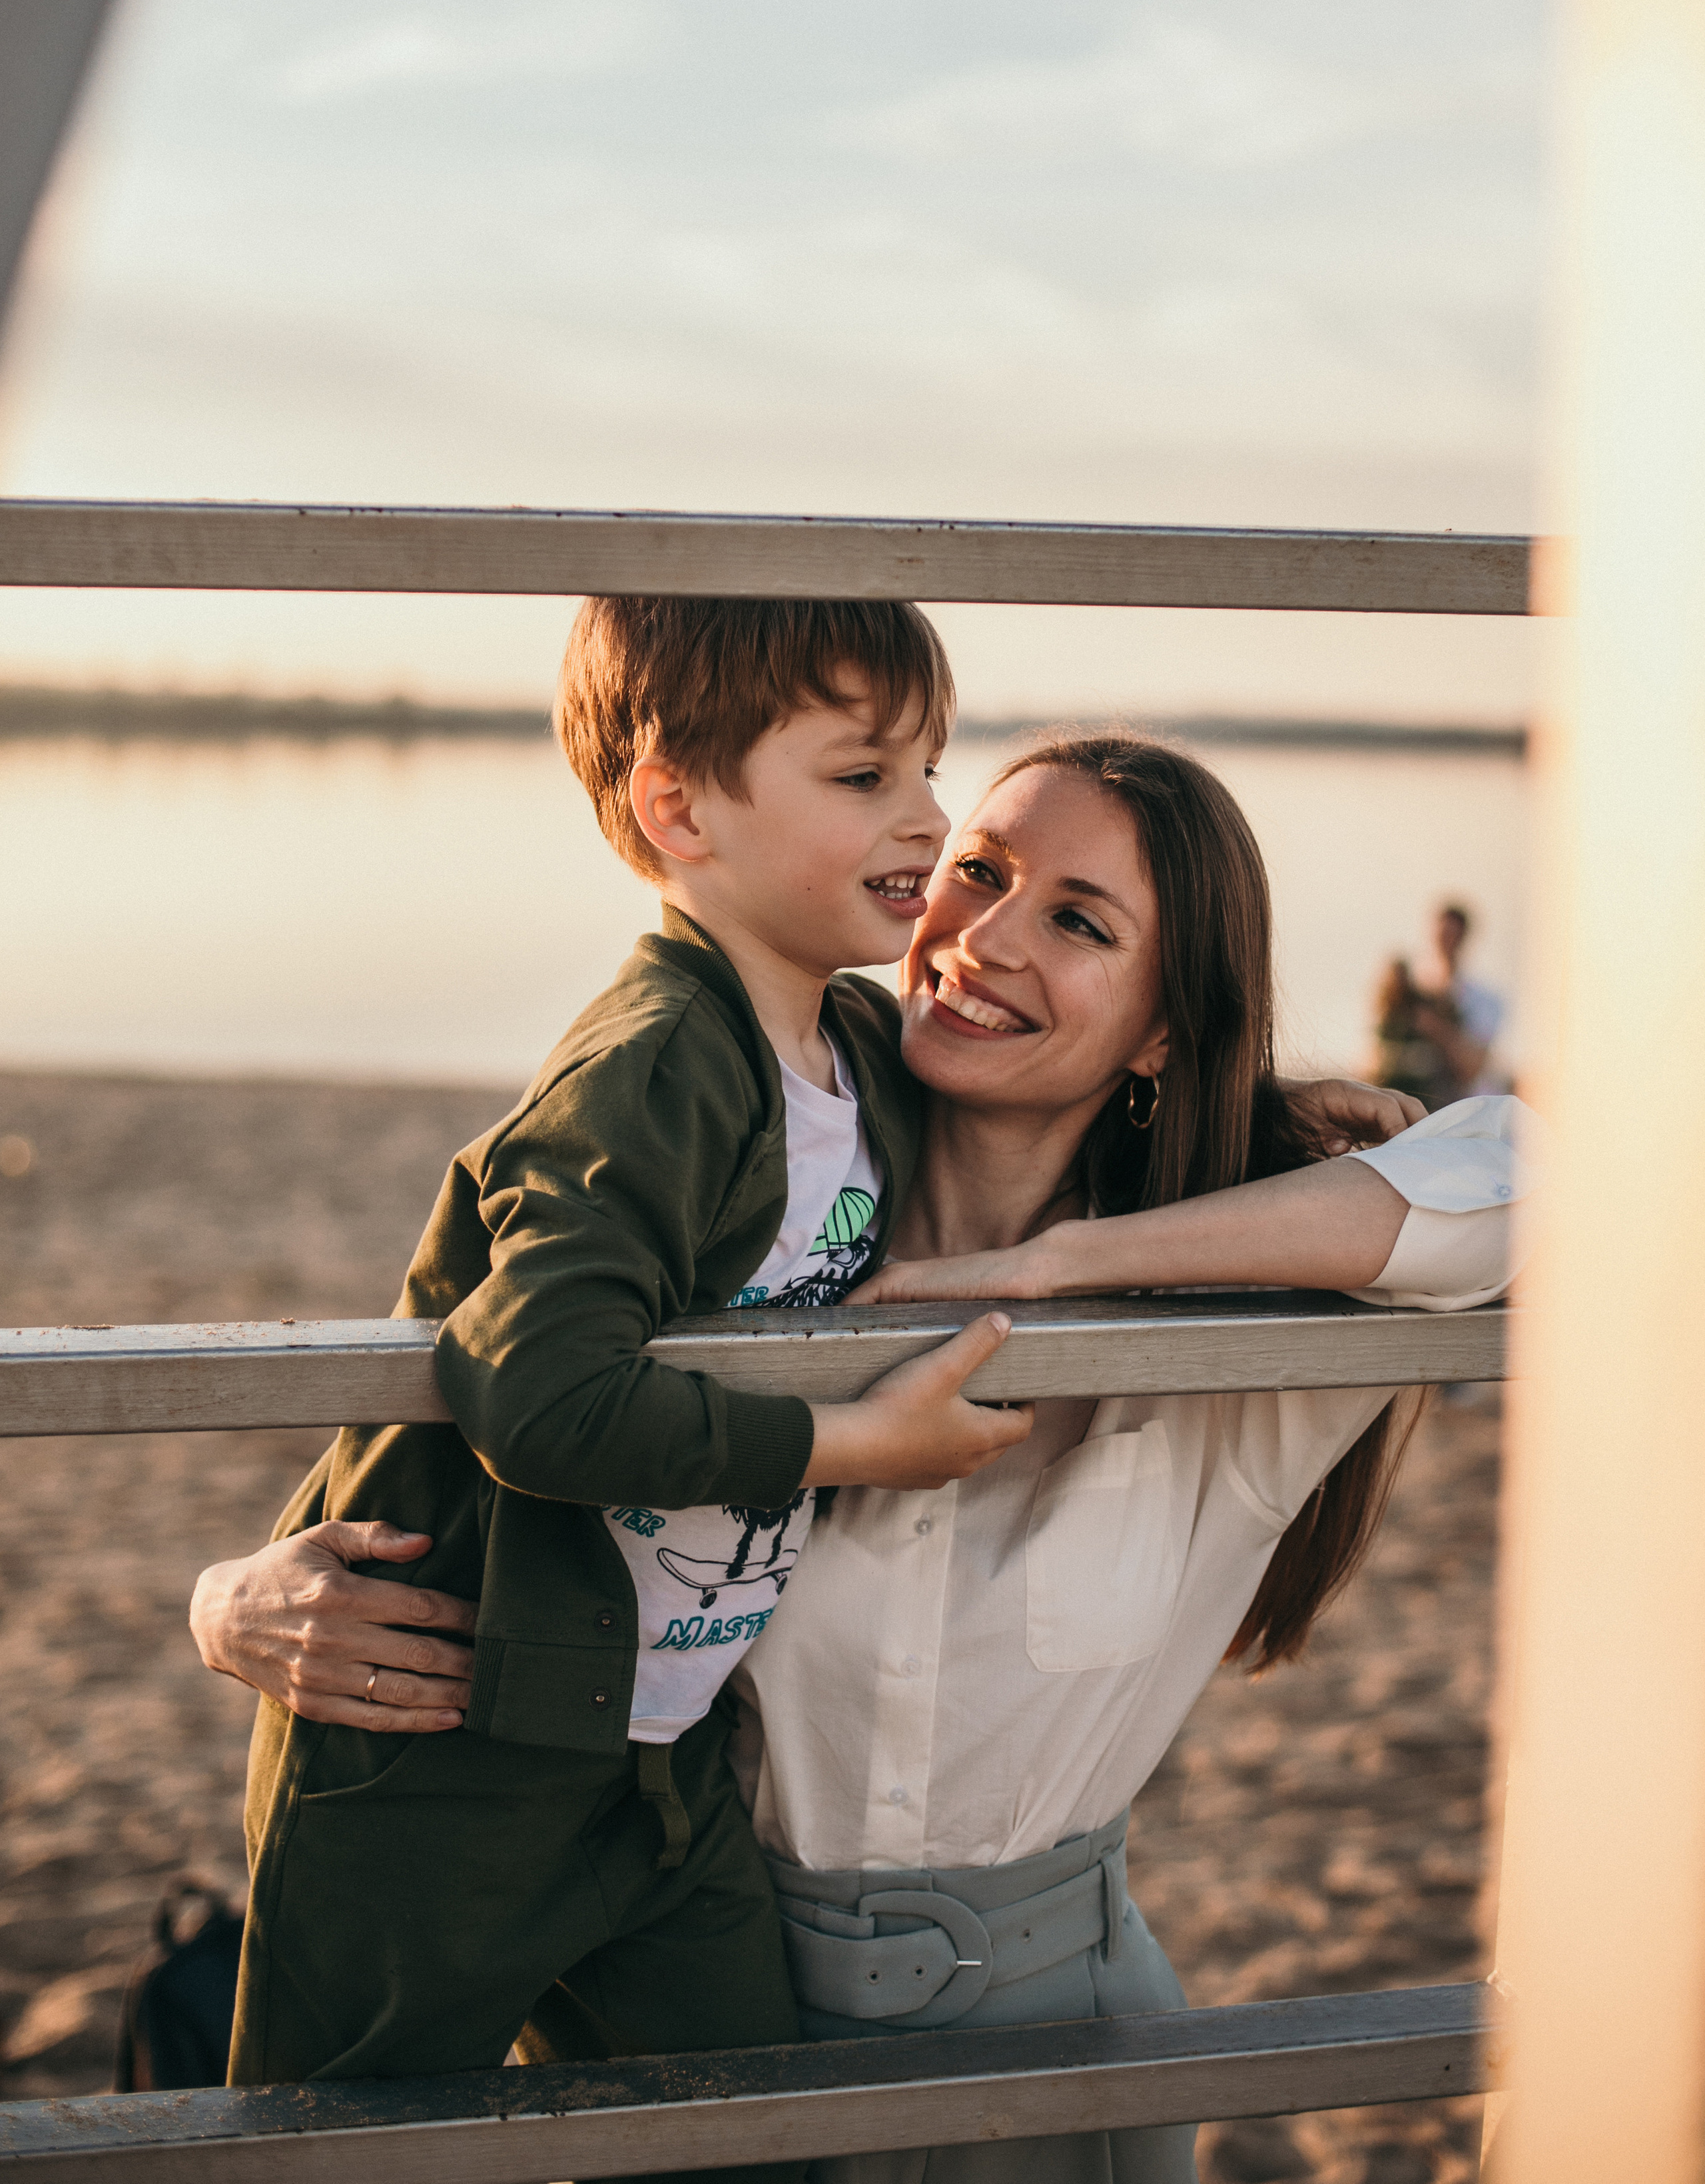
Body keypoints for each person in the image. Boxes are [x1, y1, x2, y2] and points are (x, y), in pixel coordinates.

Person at [194, 736, 1527, 2183]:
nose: (988, 938)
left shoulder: (1223, 1352)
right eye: (979, 873)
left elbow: (1534, 1179)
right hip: (691, 1993)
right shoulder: (749, 1226)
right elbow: (507, 1381)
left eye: (1079, 922)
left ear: (1162, 1033)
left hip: (1047, 2053)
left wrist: (1076, 1258)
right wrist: (234, 1599)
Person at [229, 593, 1046, 2147]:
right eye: (862, 774)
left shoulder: (854, 1052)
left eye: (929, 767)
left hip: (661, 1768)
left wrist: (1289, 1101)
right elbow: (534, 1388)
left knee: (738, 2142)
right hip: (440, 1760)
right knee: (329, 2149)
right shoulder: (650, 1068)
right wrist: (851, 1444)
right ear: (678, 805)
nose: (930, 817)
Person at [1372, 900, 1507, 1111]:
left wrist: (1434, 1027)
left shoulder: (1484, 1000)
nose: (1445, 942)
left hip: (1468, 1109)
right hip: (1419, 1107)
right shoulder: (1410, 991)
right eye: (1441, 934)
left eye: (1452, 935)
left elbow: (1472, 1068)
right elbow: (1377, 1058)